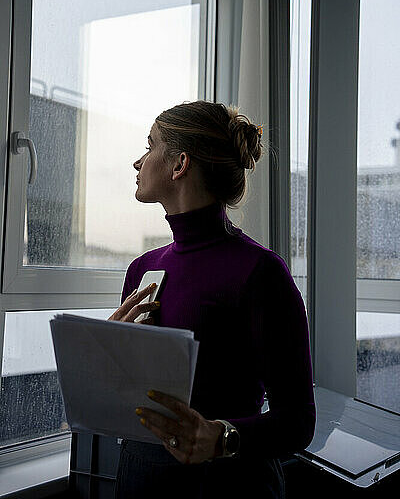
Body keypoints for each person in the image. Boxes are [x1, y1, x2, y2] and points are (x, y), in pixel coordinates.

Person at [110, 100, 315, 499]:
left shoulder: (260, 273)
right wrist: (110, 353)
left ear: (179, 164)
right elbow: (132, 400)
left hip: (229, 487)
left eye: (149, 146)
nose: (138, 162)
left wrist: (221, 438)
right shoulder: (141, 270)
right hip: (141, 479)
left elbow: (298, 422)